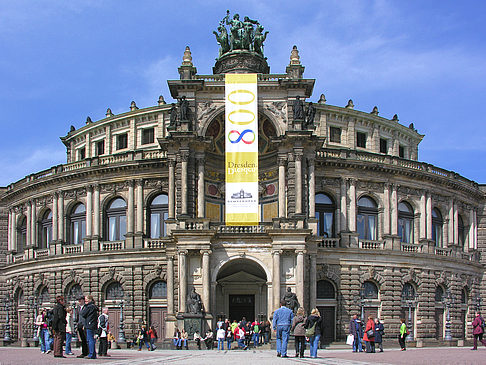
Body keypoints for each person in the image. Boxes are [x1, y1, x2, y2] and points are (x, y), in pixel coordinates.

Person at [81, 295, 99, 359]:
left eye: (86, 300)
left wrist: (85, 306)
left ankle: (91, 354)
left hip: (89, 324)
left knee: (90, 339)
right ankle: (93, 354)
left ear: (89, 300)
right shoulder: (94, 307)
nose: (85, 301)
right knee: (91, 339)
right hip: (93, 324)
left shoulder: (89, 307)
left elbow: (83, 314)